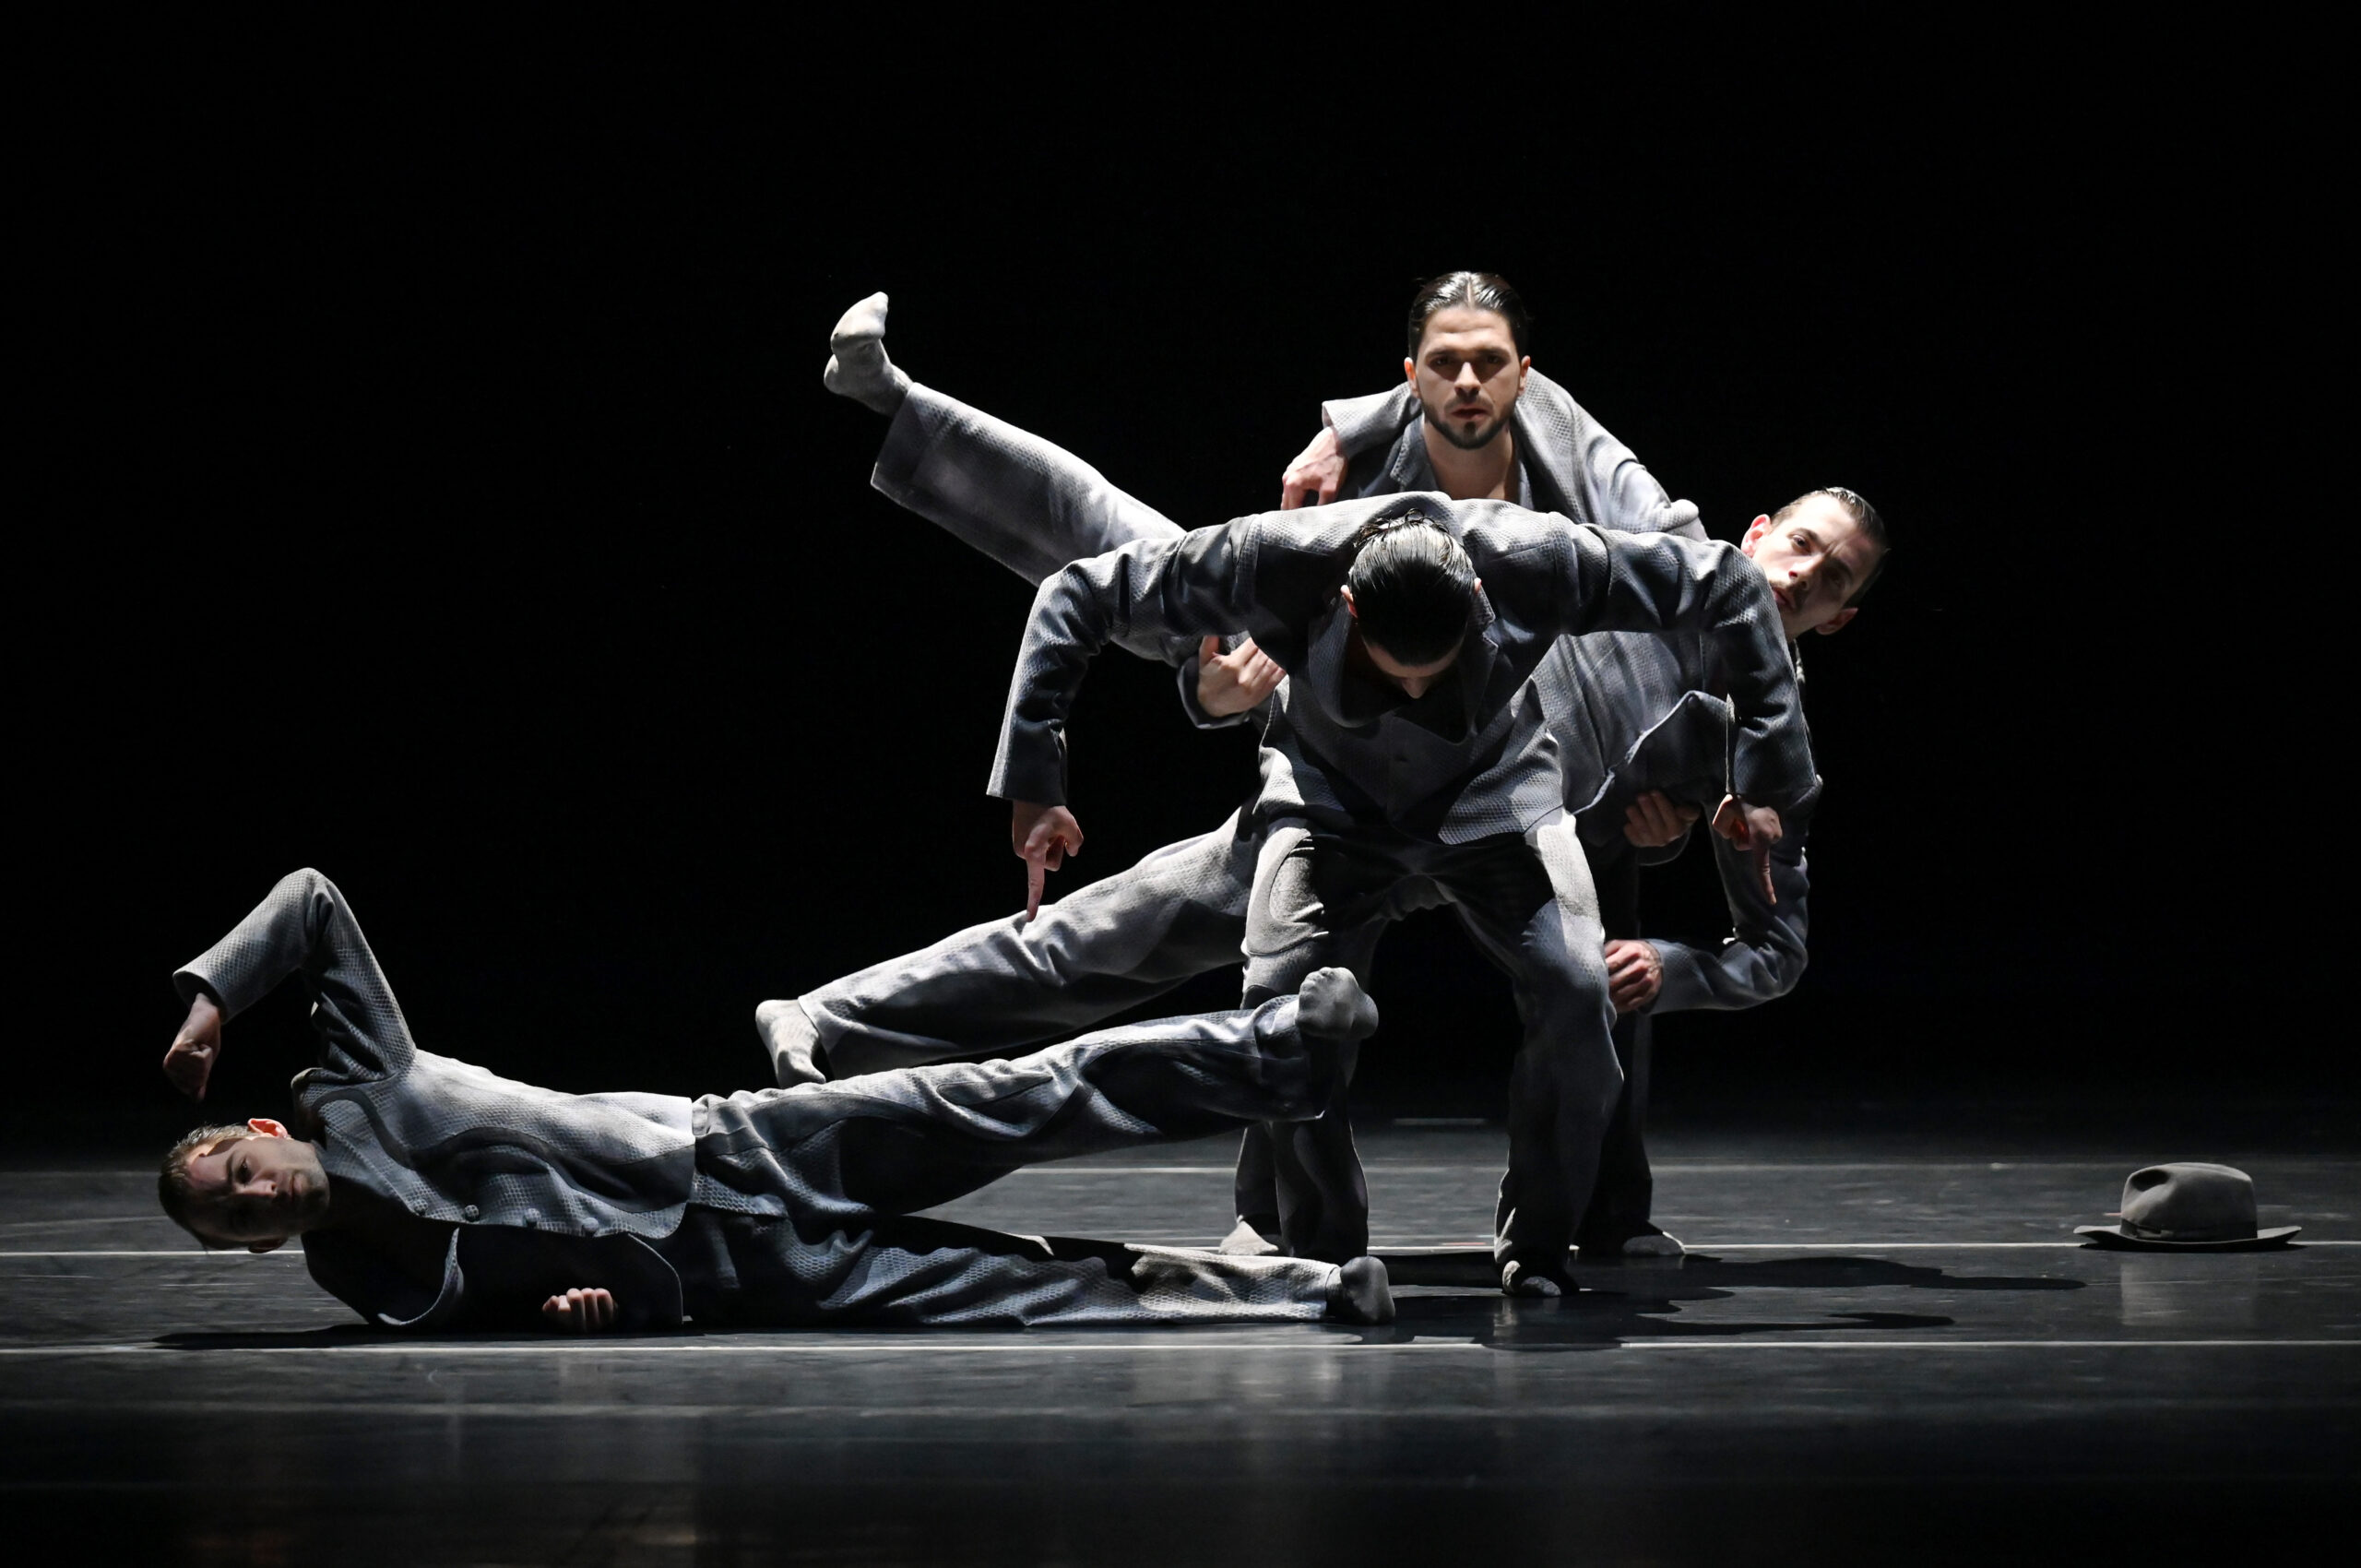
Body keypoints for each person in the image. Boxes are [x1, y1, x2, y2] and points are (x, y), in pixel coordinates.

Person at [800, 280, 1885, 1262]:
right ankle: (898, 405)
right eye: (1798, 544)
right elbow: (1507, 381)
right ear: (1757, 529)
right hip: (1350, 736)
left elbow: (1772, 940)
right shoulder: (1659, 536)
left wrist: (1682, 922)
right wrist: (1351, 428)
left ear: (1838, 619)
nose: (1800, 576)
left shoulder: (1758, 723)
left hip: (1497, 812)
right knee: (1113, 907)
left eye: (1830, 579)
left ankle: (1582, 1220)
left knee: (1585, 978)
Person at [985, 494, 1813, 1293]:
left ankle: (1539, 1248)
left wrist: (1765, 775)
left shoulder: (1538, 561)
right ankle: (1321, 1254)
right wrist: (1035, 779)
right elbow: (1079, 591)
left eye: (1433, 672)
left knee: (1576, 984)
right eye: (1393, 674)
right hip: (1334, 808)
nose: (1415, 694)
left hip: (1499, 802)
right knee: (1282, 999)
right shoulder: (1272, 560)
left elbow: (1728, 582)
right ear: (1347, 606)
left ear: (1480, 597)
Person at [154, 869, 1395, 1332]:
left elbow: (313, 902)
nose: (259, 1201)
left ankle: (1287, 1045)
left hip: (738, 1148)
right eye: (237, 1220)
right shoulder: (372, 1288)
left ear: (261, 1132)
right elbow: (513, 1312)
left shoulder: (361, 1083)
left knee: (1027, 1094)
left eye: (240, 1176)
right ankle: (1315, 1291)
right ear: (247, 1248)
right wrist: (581, 1315)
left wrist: (212, 997)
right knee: (1031, 1288)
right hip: (730, 1278)